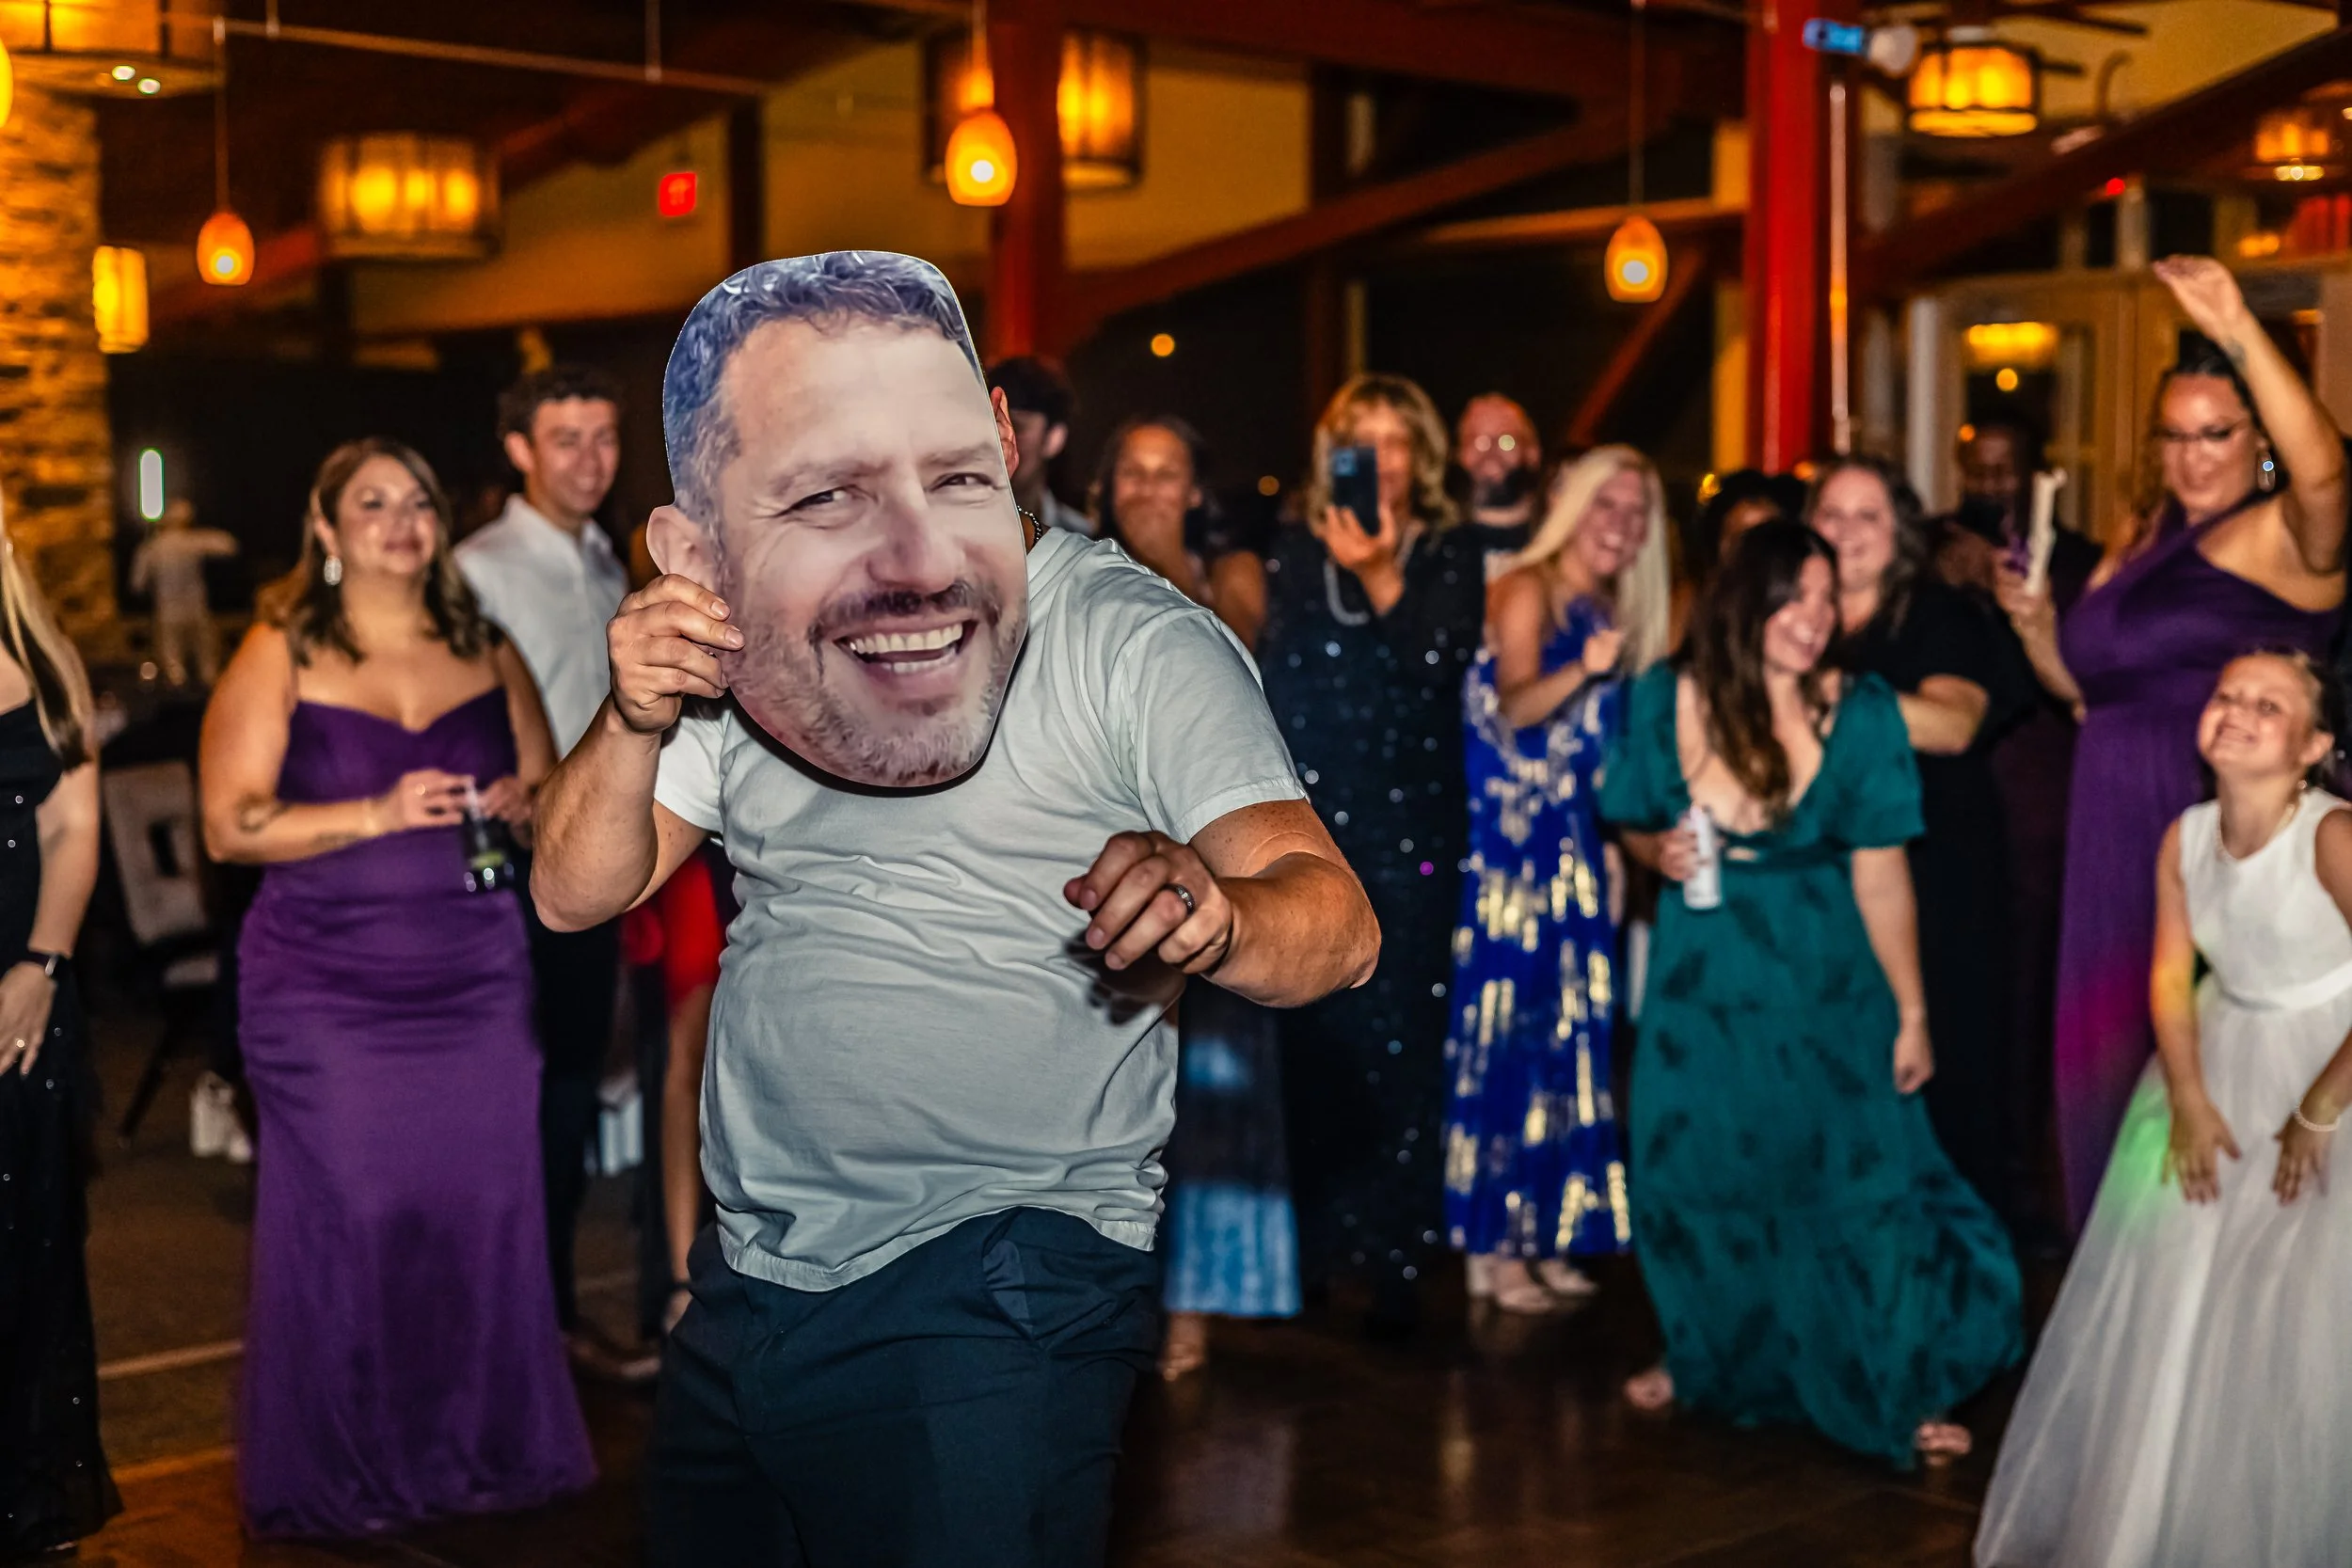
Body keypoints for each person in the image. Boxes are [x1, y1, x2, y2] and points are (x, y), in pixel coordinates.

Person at [528, 250, 1378, 1568]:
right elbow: (578, 888)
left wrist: (1215, 910)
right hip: (757, 1276)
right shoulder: (766, 629)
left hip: (999, 1277)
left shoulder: (1128, 638)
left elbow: (1337, 919)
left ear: (991, 422)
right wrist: (631, 714)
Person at [200, 438, 593, 1536]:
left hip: (475, 972)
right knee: (360, 1213)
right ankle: (348, 1460)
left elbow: (559, 787)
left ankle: (475, 1448)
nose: (399, 519)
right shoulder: (279, 650)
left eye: (416, 499)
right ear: (323, 531)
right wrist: (376, 811)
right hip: (326, 983)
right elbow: (227, 826)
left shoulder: (486, 642)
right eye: (369, 503)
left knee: (481, 1208)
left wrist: (529, 801)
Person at [1599, 520, 2021, 1465]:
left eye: (1827, 599)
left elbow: (1882, 877)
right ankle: (1704, 1352)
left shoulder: (1861, 709)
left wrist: (1910, 1011)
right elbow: (1629, 817)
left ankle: (1895, 1381)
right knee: (1695, 1178)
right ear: (1744, 600)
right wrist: (1652, 849)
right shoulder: (1664, 694)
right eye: (1794, 596)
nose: (1814, 617)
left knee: (1856, 1186)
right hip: (1698, 985)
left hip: (1825, 979)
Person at [1976, 650, 2352, 1567]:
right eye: (2226, 694)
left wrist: (2316, 1107)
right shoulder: (2182, 836)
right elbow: (2167, 974)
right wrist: (2185, 1092)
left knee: (2298, 1310)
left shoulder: (2331, 834)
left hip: (2331, 1063)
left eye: (2268, 705)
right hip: (2222, 1053)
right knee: (2178, 1296)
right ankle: (2161, 1518)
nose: (2236, 711)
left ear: (2313, 745)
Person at [1996, 257, 2346, 1229]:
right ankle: (2128, 1298)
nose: (2195, 456)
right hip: (2105, 812)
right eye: (2175, 435)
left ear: (2259, 439)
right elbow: (2089, 697)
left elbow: (2325, 473)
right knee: (2103, 1071)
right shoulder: (2143, 533)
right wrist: (2035, 628)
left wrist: (2239, 324)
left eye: (2218, 433)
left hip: (2204, 817)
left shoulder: (2285, 535)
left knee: (2193, 1075)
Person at [1260, 371, 1485, 1330]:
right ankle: (1314, 1247)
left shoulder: (1446, 549)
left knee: (1406, 1040)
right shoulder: (1290, 548)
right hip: (1315, 812)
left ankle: (1394, 1253)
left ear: (1420, 458)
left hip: (1416, 825)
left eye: (1397, 441)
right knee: (1314, 1033)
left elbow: (1438, 661)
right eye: (1362, 440)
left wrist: (1384, 568)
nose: (1380, 459)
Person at [1442, 446, 1670, 1313]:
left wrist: (1613, 849)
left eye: (1637, 510)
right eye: (1606, 504)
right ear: (1573, 507)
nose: (1621, 524)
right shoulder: (1527, 586)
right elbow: (1516, 705)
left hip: (1573, 850)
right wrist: (1589, 667)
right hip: (1507, 853)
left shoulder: (1607, 609)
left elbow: (1597, 758)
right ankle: (1491, 1244)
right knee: (1506, 1037)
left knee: (1568, 1043)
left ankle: (1546, 1229)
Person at [1091, 413, 1293, 1380]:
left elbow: (1235, 656)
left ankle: (1192, 1308)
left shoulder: (1233, 571)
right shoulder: (1066, 565)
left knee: (1200, 1097)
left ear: (1195, 491)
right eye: (1132, 471)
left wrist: (1162, 558)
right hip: (1102, 851)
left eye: (1167, 472)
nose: (1147, 487)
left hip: (1212, 857)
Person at [453, 365, 641, 1371]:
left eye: (605, 437)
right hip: (500, 874)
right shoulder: (475, 569)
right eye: (565, 439)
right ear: (519, 449)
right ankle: (503, 1328)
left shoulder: (611, 564)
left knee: (565, 1087)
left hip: (595, 861)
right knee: (504, 1097)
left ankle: (551, 1315)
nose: (589, 460)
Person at [1811, 454, 2026, 1214]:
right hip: (1827, 878)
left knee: (1943, 1073)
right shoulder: (1793, 619)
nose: (1846, 531)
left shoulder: (1937, 613)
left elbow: (1955, 724)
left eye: (1867, 515)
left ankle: (1954, 1278)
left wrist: (1821, 696)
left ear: (1899, 531)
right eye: (1831, 514)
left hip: (1939, 869)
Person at [0, 523, 118, 1560]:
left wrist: (41, 967)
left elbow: (77, 826)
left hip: (28, 987)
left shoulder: (42, 656)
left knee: (29, 1243)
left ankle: (27, 1494)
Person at [130, 498, 239, 686]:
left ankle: (177, 685)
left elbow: (137, 583)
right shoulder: (192, 542)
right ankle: (208, 687)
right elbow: (229, 545)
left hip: (168, 611)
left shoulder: (152, 548)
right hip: (195, 607)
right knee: (205, 655)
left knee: (173, 658)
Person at [989, 355, 1090, 537]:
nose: (1001, 441)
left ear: (1053, 438)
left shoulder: (1081, 540)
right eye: (991, 426)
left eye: (1018, 428)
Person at [1454, 393, 1545, 567]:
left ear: (1533, 453)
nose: (1491, 451)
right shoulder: (1433, 542)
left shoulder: (1553, 543)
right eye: (1477, 440)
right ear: (1459, 453)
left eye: (1507, 441)